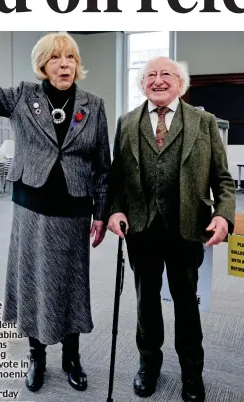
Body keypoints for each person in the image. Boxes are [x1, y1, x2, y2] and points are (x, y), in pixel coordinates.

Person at [0, 2, 111, 393]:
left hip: (74, 211)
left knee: (71, 285)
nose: (65, 64)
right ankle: (37, 357)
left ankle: (72, 357)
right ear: (42, 65)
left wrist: (101, 213)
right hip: (32, 209)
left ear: (77, 65)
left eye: (71, 58)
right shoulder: (22, 96)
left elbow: (102, 165)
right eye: (55, 58)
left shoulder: (93, 105)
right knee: (33, 283)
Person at [107, 56, 235, 402]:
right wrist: (115, 210)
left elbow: (223, 179)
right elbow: (116, 180)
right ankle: (149, 364)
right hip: (142, 230)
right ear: (142, 84)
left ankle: (192, 373)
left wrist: (224, 216)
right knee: (146, 303)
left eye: (167, 74)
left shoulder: (204, 122)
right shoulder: (127, 122)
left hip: (188, 229)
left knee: (186, 304)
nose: (158, 80)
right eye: (151, 75)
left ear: (181, 84)